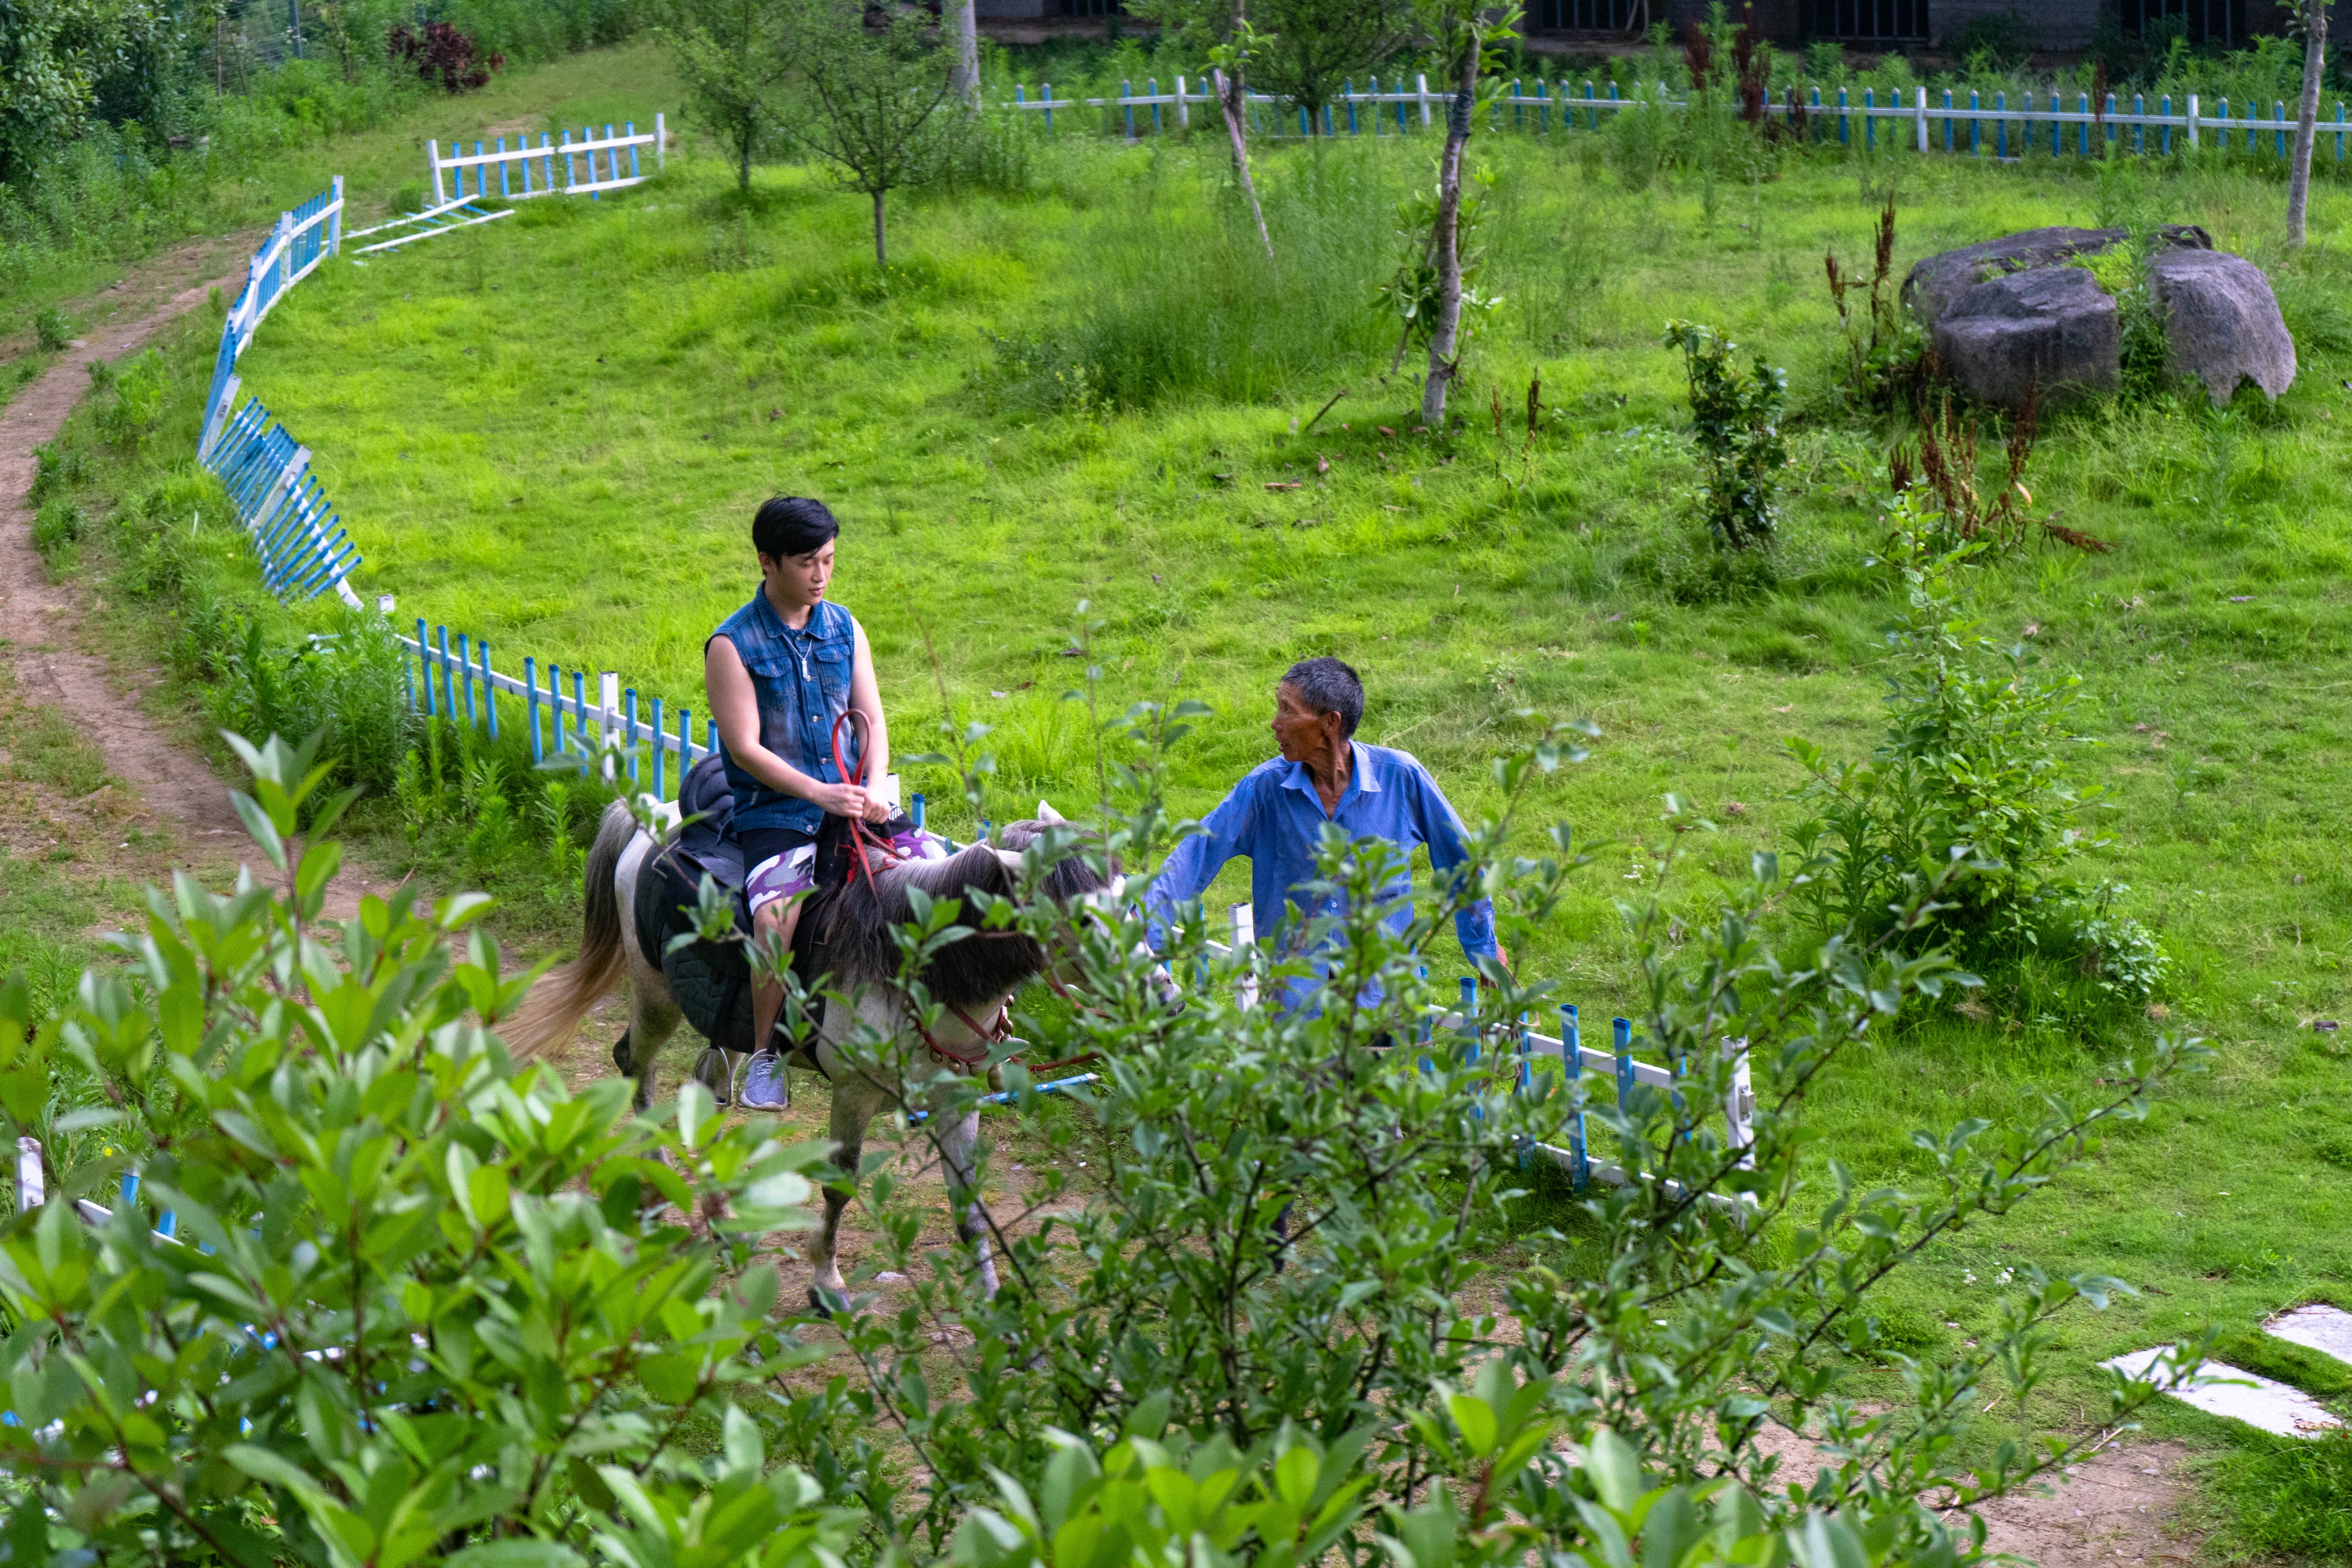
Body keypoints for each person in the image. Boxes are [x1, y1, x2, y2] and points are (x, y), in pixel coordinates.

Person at [1143, 656, 1506, 1011]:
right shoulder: (1263, 789)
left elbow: (1461, 862)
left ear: (1330, 723)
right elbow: (1194, 857)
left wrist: (1484, 949)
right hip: (1294, 1006)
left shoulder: (1400, 777)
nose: (1275, 724)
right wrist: (1138, 942)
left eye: (1287, 710)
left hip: (1381, 999)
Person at [706, 495, 891, 1110]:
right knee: (776, 919)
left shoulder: (846, 627)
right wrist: (819, 793)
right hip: (776, 815)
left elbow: (873, 724)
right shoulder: (731, 645)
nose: (821, 575)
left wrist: (874, 787)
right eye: (808, 562)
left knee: (933, 874)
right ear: (767, 561)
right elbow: (745, 748)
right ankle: (765, 1057)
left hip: (851, 803)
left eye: (830, 560)